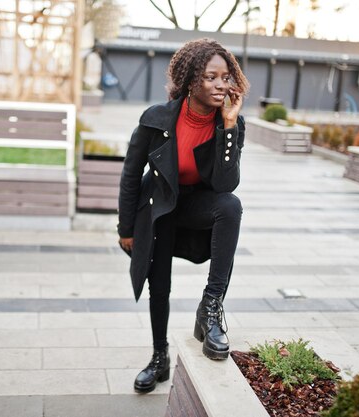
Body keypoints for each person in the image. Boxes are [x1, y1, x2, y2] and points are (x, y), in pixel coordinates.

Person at [117, 38, 250, 394]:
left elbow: (226, 184)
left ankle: (210, 308)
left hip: (195, 205)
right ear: (192, 81)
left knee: (231, 207)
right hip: (158, 210)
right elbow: (131, 175)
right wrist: (125, 228)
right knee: (158, 287)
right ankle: (159, 358)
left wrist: (229, 126)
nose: (222, 84)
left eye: (226, 77)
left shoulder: (231, 123)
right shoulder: (156, 119)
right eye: (212, 77)